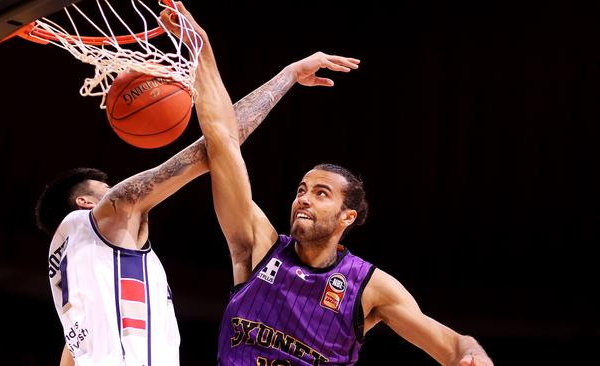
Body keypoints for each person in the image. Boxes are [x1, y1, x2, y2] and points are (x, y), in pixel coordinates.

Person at [171, 3, 495, 365]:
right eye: (301, 190)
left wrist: (474, 358)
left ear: (347, 217)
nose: (304, 199)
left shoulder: (369, 287)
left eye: (321, 193)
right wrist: (201, 47)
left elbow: (454, 346)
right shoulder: (258, 244)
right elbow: (221, 141)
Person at [34, 35, 360, 366]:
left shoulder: (70, 283)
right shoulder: (112, 212)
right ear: (87, 203)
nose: (115, 189)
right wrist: (288, 76)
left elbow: (71, 358)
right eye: (106, 188)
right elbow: (217, 146)